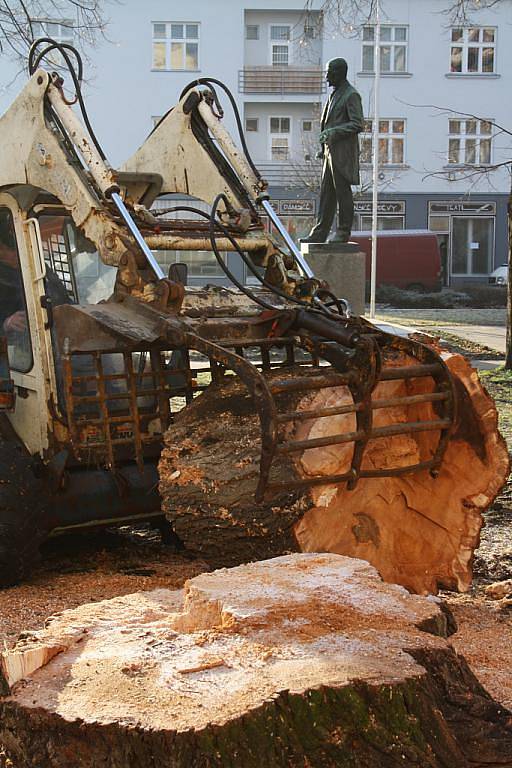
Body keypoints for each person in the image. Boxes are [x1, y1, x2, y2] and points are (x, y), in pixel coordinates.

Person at [302, 58, 364, 244]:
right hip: (329, 153)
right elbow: (328, 123)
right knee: (327, 194)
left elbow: (357, 124)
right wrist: (323, 147)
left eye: (329, 72)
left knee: (342, 193)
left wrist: (334, 132)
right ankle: (320, 231)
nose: (326, 77)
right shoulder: (334, 94)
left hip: (342, 154)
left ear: (339, 73)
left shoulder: (351, 95)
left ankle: (343, 231)